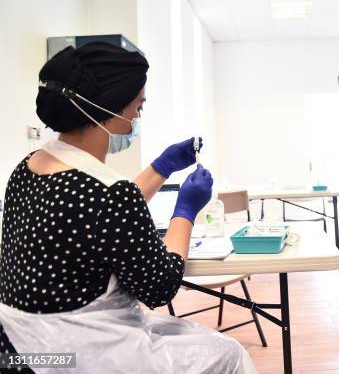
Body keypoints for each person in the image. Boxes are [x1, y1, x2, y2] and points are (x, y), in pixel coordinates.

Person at [0, 42, 256, 373]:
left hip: (18, 349)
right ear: (111, 108)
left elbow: (97, 216)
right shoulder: (109, 196)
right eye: (138, 107)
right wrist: (186, 210)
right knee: (228, 354)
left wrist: (162, 166)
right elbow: (160, 286)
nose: (137, 117)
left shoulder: (27, 169)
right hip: (76, 356)